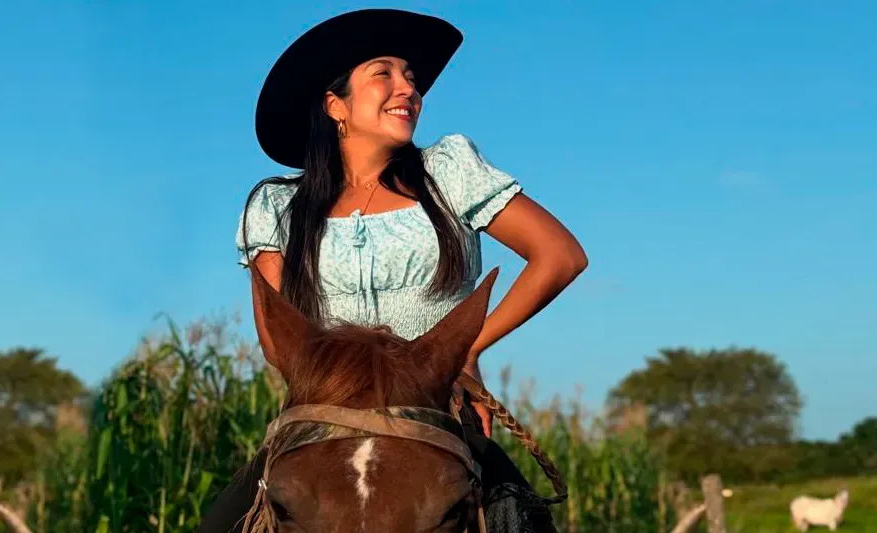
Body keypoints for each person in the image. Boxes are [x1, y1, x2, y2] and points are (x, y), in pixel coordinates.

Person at [198, 8, 587, 533]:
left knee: (522, 518)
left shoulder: (448, 172)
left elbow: (559, 256)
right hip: (324, 412)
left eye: (411, 77)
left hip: (434, 404)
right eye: (383, 73)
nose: (408, 89)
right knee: (217, 524)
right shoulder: (275, 206)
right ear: (335, 104)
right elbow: (275, 341)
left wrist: (464, 350)